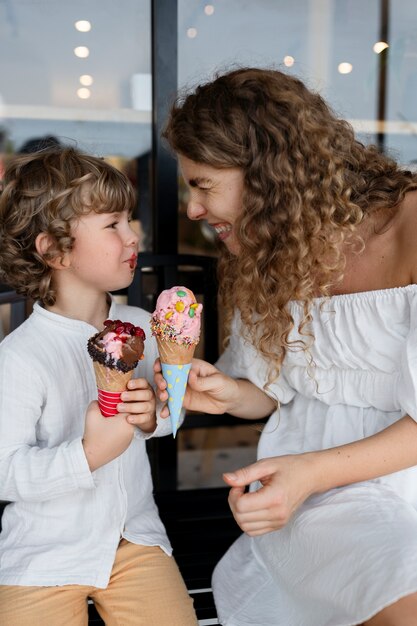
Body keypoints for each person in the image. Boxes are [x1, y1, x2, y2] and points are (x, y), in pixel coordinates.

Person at [157, 66, 417, 626]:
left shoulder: (413, 226)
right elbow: (276, 394)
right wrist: (228, 393)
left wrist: (309, 472)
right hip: (317, 501)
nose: (193, 210)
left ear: (268, 172)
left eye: (203, 184)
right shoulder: (272, 250)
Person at [0, 147, 198, 626]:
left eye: (130, 220)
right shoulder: (20, 356)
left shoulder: (143, 327)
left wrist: (155, 417)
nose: (134, 237)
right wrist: (88, 454)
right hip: (41, 555)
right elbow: (5, 472)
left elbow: (170, 415)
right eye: (113, 224)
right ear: (54, 250)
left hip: (135, 541)